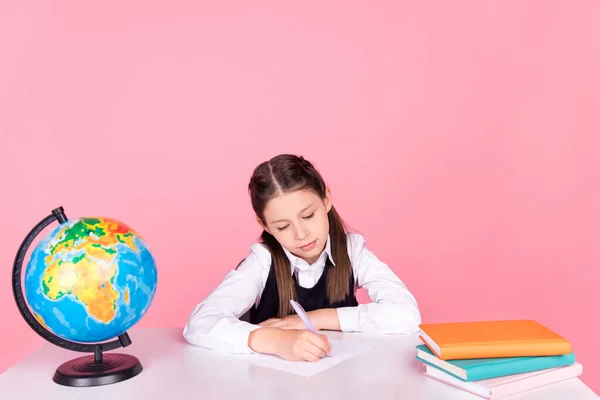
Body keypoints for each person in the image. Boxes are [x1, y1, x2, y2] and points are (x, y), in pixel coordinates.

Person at [183, 154, 421, 362]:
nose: (301, 234)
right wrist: (277, 342)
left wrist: (313, 319)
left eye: (308, 215)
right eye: (283, 226)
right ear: (264, 225)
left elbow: (406, 315)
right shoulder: (262, 261)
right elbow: (200, 324)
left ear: (326, 198)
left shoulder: (352, 251)